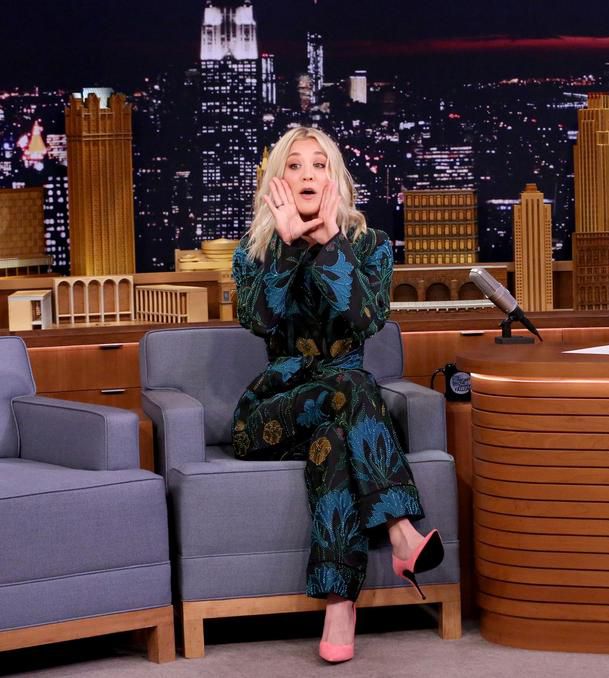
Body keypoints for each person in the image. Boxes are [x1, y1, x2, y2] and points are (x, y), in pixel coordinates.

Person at [231, 127, 444, 664]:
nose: (307, 174)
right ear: (278, 181)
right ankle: (401, 531)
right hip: (272, 413)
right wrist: (286, 247)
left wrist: (331, 245)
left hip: (341, 413)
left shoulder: (369, 246)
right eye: (295, 165)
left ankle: (338, 606)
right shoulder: (254, 251)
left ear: (336, 179)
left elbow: (368, 319)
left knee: (334, 437)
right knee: (356, 384)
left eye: (319, 164)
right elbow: (259, 320)